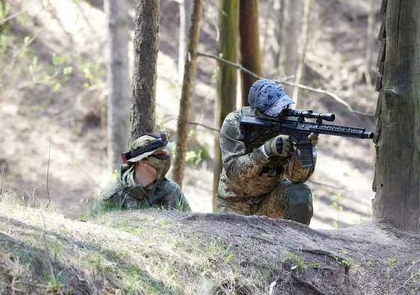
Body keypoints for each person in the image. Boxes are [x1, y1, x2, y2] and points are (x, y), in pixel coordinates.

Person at [216, 79, 318, 225]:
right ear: (258, 112)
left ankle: (294, 246)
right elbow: (233, 172)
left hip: (270, 200)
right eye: (275, 111)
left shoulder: (291, 125)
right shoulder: (235, 122)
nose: (282, 113)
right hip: (234, 203)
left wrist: (303, 149)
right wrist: (266, 151)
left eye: (284, 107)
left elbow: (297, 178)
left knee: (300, 193)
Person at [97, 133, 191, 211]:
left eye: (166, 155)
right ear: (143, 160)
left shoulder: (172, 191)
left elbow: (190, 226)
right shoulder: (112, 196)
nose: (166, 160)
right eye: (160, 156)